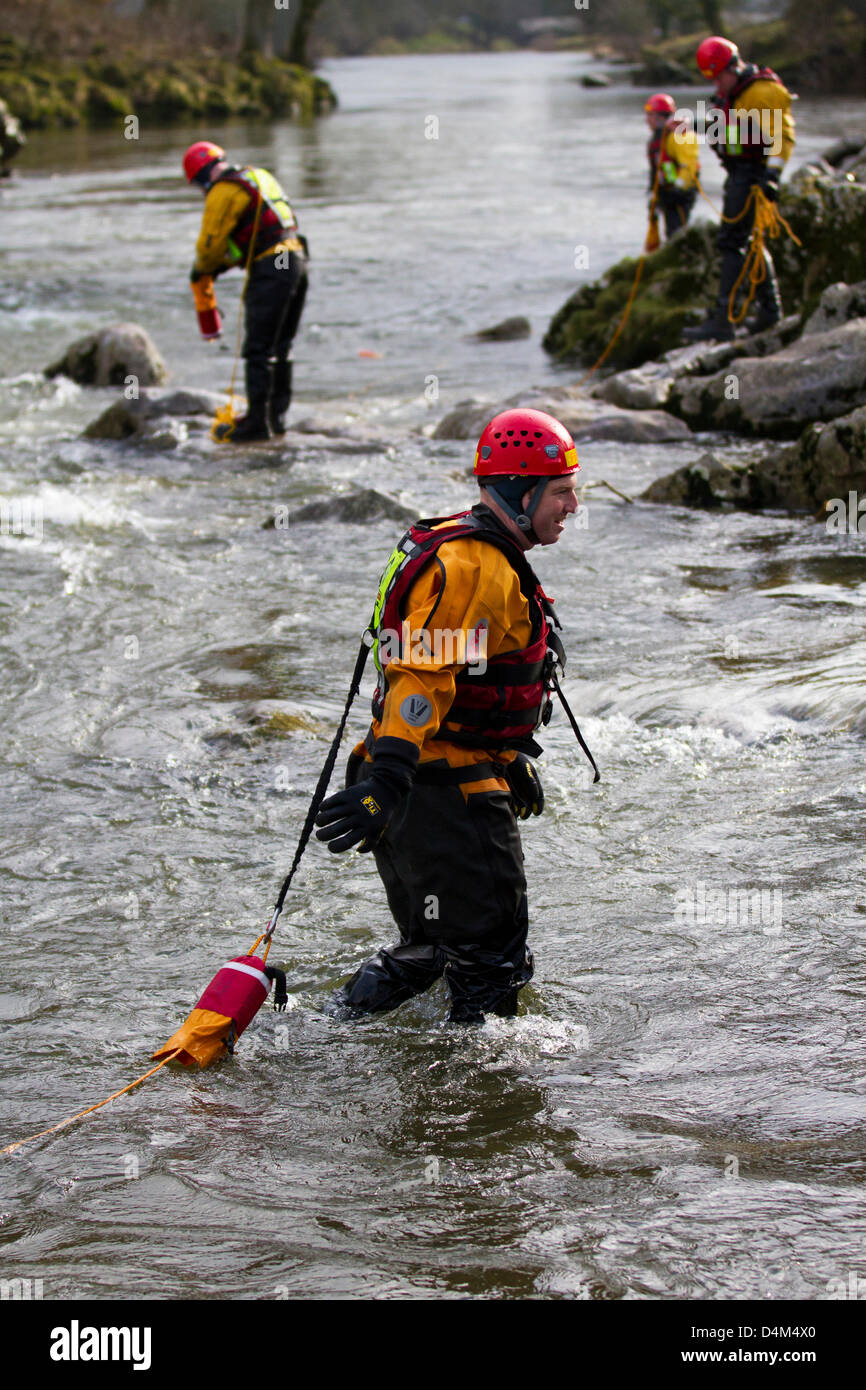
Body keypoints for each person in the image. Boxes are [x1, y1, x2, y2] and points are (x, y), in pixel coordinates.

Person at [314, 407, 597, 1025]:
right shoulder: (473, 568)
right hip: (435, 792)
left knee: (437, 949)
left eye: (574, 489)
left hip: (425, 786)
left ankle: (324, 1029)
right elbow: (420, 678)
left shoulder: (463, 544)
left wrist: (508, 756)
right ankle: (484, 1106)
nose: (573, 505)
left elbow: (466, 672)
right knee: (493, 961)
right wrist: (388, 785)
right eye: (561, 492)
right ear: (519, 494)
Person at [182, 141, 308, 441]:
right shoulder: (259, 175)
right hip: (297, 261)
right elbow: (266, 227)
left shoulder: (223, 190)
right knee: (282, 346)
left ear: (201, 177)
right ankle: (276, 418)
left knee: (258, 350)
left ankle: (256, 423)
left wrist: (203, 272)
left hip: (271, 267)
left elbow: (209, 247)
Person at [683, 36, 795, 342]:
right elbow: (726, 127)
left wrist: (772, 176)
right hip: (739, 174)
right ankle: (770, 312)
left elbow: (781, 136)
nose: (717, 85)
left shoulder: (762, 93)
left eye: (720, 77)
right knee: (750, 242)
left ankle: (724, 320)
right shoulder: (733, 93)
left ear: (734, 67)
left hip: (753, 176)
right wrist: (690, 124)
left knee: (731, 242)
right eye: (713, 79)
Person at [644, 93, 699, 242]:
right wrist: (653, 194)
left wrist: (679, 188)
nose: (647, 120)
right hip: (666, 193)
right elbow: (655, 170)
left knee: (678, 233)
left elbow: (688, 165)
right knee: (670, 234)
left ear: (661, 117)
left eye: (650, 115)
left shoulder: (678, 136)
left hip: (680, 195)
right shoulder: (657, 139)